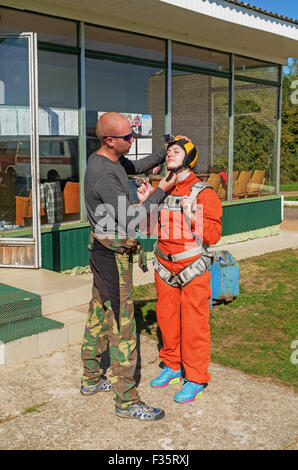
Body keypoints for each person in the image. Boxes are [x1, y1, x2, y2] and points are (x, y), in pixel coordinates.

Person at [80, 111, 177, 421]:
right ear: (110, 140)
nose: (132, 140)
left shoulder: (114, 161)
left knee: (98, 314)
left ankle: (92, 379)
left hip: (102, 252)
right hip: (111, 257)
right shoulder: (103, 174)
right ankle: (127, 402)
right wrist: (163, 190)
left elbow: (137, 167)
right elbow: (133, 219)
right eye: (127, 137)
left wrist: (164, 151)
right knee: (124, 328)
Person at [137, 137, 222, 404]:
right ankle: (172, 366)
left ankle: (195, 377)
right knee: (167, 320)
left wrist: (192, 217)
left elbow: (214, 234)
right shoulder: (161, 191)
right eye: (168, 151)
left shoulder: (203, 192)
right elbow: (150, 230)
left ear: (188, 158)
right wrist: (145, 205)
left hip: (192, 268)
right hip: (164, 266)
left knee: (194, 324)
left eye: (176, 151)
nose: (169, 154)